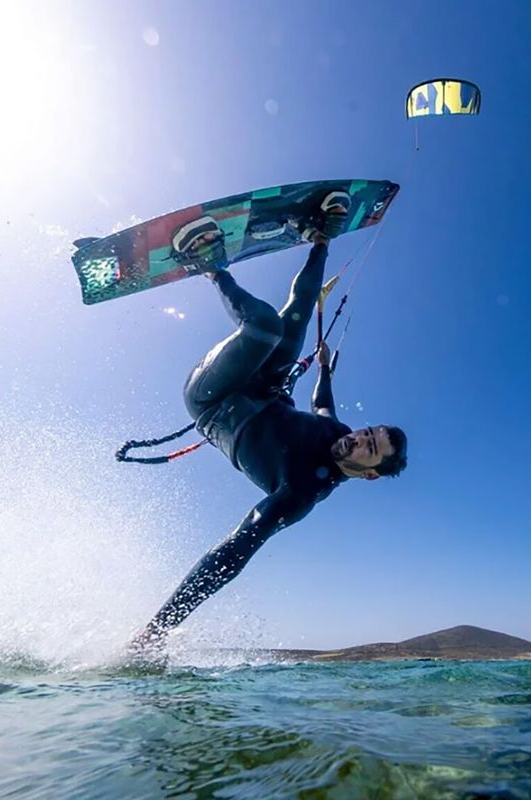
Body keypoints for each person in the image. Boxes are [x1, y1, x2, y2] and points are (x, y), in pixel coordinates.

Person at [130, 192, 407, 655]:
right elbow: (322, 404)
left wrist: (157, 630)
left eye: (369, 448)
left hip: (214, 401)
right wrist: (324, 370)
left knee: (264, 327)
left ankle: (209, 265)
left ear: (370, 474)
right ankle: (320, 239)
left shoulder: (300, 493)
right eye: (368, 432)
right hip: (262, 384)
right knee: (293, 322)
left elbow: (234, 552)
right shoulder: (337, 433)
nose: (359, 438)